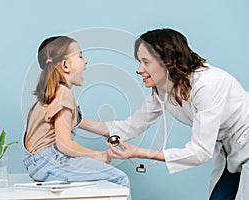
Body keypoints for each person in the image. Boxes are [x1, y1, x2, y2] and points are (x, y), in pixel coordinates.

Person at [80, 28, 249, 200]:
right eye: (139, 62)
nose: (139, 69)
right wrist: (78, 121)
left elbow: (199, 151)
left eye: (146, 62)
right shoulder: (164, 89)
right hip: (229, 151)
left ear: (167, 62)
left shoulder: (208, 85)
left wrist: (139, 152)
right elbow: (129, 127)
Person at [20, 36, 131, 199]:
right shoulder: (63, 93)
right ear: (65, 65)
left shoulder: (53, 94)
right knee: (119, 180)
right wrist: (97, 155)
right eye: (80, 56)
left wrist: (113, 131)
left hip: (38, 164)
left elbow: (82, 123)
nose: (85, 61)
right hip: (51, 162)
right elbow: (65, 145)